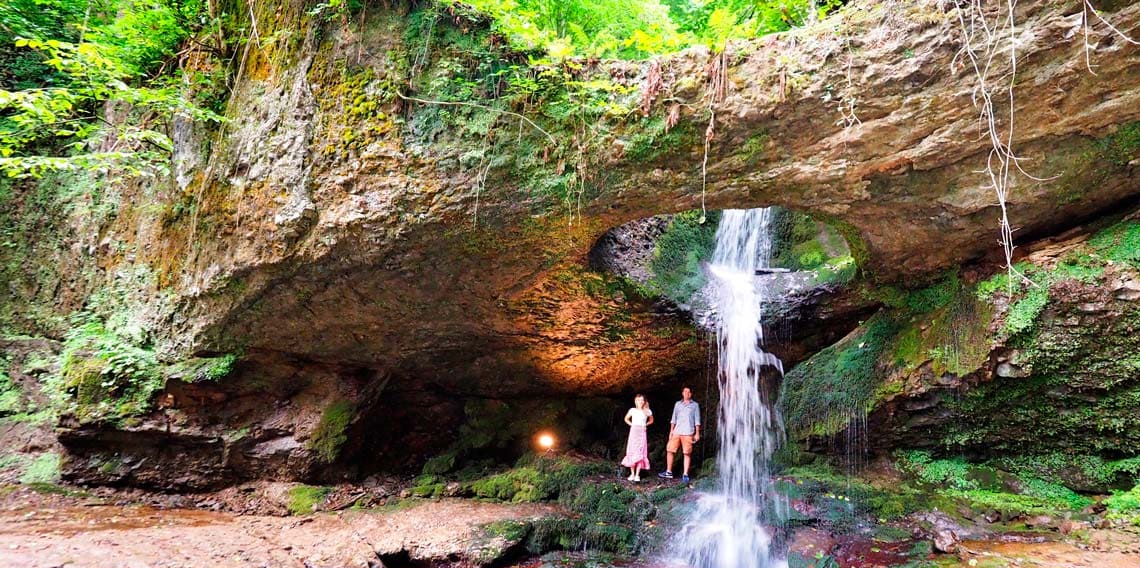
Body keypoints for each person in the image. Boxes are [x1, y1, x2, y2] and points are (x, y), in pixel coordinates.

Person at [659, 386, 700, 483]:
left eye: (689, 392)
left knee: (687, 453)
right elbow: (674, 418)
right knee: (670, 450)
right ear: (682, 393)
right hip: (677, 431)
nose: (687, 394)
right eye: (685, 392)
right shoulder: (678, 404)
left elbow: (697, 420)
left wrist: (697, 433)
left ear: (691, 394)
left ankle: (685, 474)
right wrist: (671, 431)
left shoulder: (695, 405)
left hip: (688, 432)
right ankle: (669, 472)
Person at [620, 394, 653, 482]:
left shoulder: (647, 411)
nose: (640, 402)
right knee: (632, 451)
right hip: (634, 431)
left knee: (640, 452)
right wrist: (632, 425)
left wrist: (646, 425)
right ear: (635, 401)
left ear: (644, 401)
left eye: (642, 400)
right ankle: (632, 474)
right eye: (638, 400)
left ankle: (637, 474)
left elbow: (651, 420)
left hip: (642, 432)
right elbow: (626, 418)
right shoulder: (632, 410)